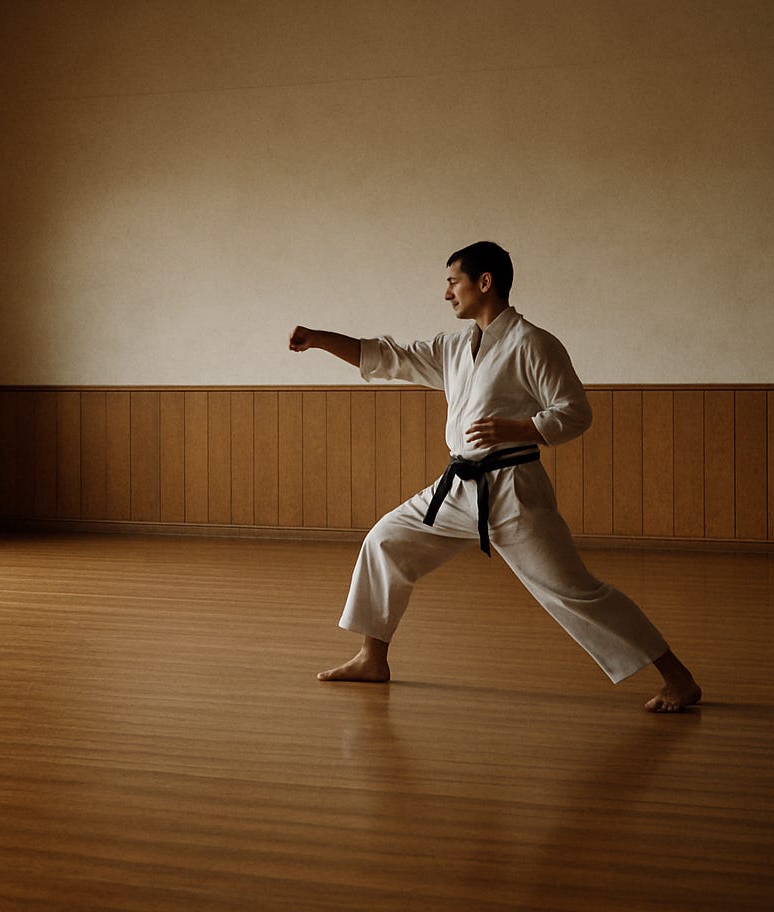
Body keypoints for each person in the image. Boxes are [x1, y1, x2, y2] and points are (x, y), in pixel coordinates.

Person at [290, 241, 701, 713]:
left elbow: (575, 412)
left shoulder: (533, 343)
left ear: (484, 282)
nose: (447, 293)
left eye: (453, 282)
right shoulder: (453, 348)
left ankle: (679, 679)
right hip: (457, 487)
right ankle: (372, 658)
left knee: (574, 591)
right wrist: (320, 339)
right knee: (385, 541)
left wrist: (519, 428)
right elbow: (386, 356)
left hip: (514, 490)